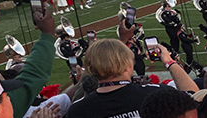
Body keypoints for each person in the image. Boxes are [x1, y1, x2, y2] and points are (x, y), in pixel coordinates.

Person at [64, 39, 199, 118]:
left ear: (90, 68)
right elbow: (194, 96)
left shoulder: (77, 110)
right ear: (127, 64)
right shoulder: (155, 94)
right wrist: (169, 62)